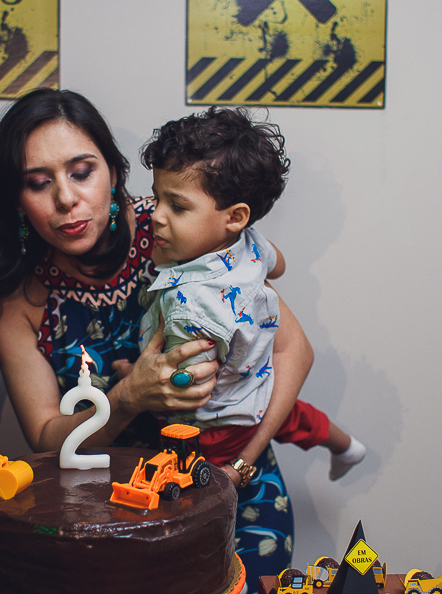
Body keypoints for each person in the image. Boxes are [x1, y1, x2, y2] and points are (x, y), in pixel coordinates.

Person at [0, 89, 314, 594]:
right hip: (115, 529)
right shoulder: (18, 297)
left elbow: (292, 352)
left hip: (236, 493)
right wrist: (128, 395)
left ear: (113, 172)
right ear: (17, 197)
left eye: (82, 171)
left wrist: (242, 468)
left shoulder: (174, 231)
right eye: (39, 182)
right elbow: (45, 437)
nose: (67, 199)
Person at [139, 107, 365, 482]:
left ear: (234, 216)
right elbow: (278, 266)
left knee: (193, 488)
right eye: (157, 198)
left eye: (176, 206)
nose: (157, 215)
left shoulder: (190, 303)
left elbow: (188, 386)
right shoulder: (250, 242)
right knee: (296, 416)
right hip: (260, 386)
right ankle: (347, 447)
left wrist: (139, 373)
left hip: (218, 423)